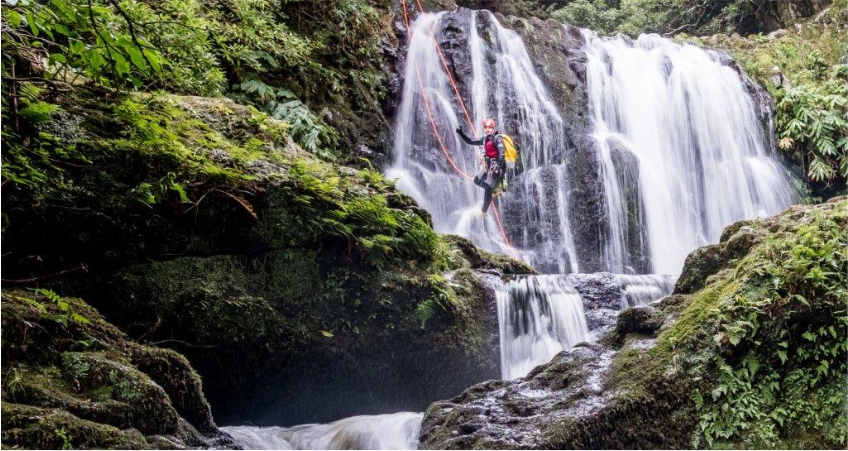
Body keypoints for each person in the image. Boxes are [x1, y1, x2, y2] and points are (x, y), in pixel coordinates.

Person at [456, 118, 506, 216]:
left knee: (487, 189)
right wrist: (461, 133)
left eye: (490, 128)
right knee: (477, 180)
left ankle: (483, 211)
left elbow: (502, 153)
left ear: (493, 128)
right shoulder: (484, 139)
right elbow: (470, 141)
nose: (488, 129)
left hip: (497, 167)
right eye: (486, 128)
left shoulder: (497, 138)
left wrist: (498, 165)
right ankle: (494, 189)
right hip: (489, 166)